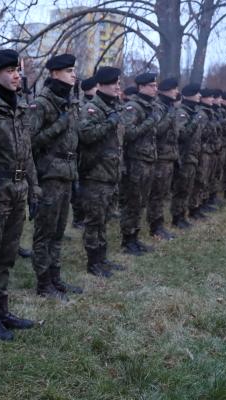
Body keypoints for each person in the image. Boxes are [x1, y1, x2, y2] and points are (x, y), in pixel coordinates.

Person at [0, 49, 40, 341]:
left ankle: (2, 308)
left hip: (18, 190)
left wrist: (34, 189)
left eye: (18, 69)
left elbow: (27, 153)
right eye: (10, 70)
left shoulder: (20, 104)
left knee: (9, 254)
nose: (16, 75)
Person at [29, 53, 83, 301]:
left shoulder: (69, 101)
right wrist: (59, 124)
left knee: (59, 231)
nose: (74, 74)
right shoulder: (42, 103)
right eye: (69, 70)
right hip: (49, 176)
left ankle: (54, 277)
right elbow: (30, 140)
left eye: (74, 70)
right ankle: (43, 283)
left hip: (67, 175)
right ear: (54, 73)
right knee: (45, 232)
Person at [78, 66, 125, 277]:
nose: (117, 87)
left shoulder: (113, 107)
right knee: (94, 221)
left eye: (118, 83)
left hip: (111, 174)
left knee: (104, 219)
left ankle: (102, 258)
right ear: (101, 85)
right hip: (95, 174)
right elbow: (87, 136)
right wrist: (109, 123)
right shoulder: (92, 109)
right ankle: (93, 262)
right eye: (113, 83)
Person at [120, 72, 160, 255]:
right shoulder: (133, 107)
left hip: (148, 160)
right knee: (132, 201)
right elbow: (128, 134)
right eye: (152, 86)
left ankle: (135, 237)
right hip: (135, 161)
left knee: (142, 201)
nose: (155, 89)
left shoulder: (151, 106)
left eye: (156, 85)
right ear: (141, 87)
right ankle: (128, 240)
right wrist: (149, 123)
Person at [147, 78, 180, 240]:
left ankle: (159, 224)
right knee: (157, 194)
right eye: (174, 89)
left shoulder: (169, 106)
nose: (177, 92)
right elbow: (157, 130)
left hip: (169, 156)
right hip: (159, 157)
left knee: (163, 193)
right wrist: (169, 116)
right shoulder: (158, 107)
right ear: (166, 90)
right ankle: (156, 226)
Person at [170, 83, 204, 229]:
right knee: (181, 188)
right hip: (183, 158)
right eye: (197, 93)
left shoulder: (192, 111)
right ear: (190, 95)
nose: (200, 96)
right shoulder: (182, 112)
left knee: (188, 188)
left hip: (192, 156)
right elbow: (182, 135)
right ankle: (177, 217)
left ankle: (182, 214)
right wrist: (195, 121)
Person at [71, 76, 98, 230]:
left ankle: (86, 214)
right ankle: (78, 218)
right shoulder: (81, 105)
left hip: (89, 152)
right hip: (79, 151)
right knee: (78, 186)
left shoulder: (96, 104)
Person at [189, 88, 215, 221]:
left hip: (206, 149)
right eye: (210, 97)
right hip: (200, 150)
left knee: (204, 178)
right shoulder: (200, 113)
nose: (213, 99)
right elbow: (199, 134)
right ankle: (194, 208)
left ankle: (200, 205)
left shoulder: (207, 112)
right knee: (199, 180)